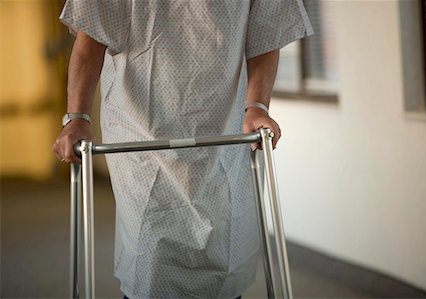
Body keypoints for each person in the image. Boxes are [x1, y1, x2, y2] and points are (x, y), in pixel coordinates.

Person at [53, 1, 313, 298]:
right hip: (141, 130)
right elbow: (90, 40)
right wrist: (77, 119)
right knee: (150, 252)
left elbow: (266, 33)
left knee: (222, 246)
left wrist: (257, 106)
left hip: (225, 125)